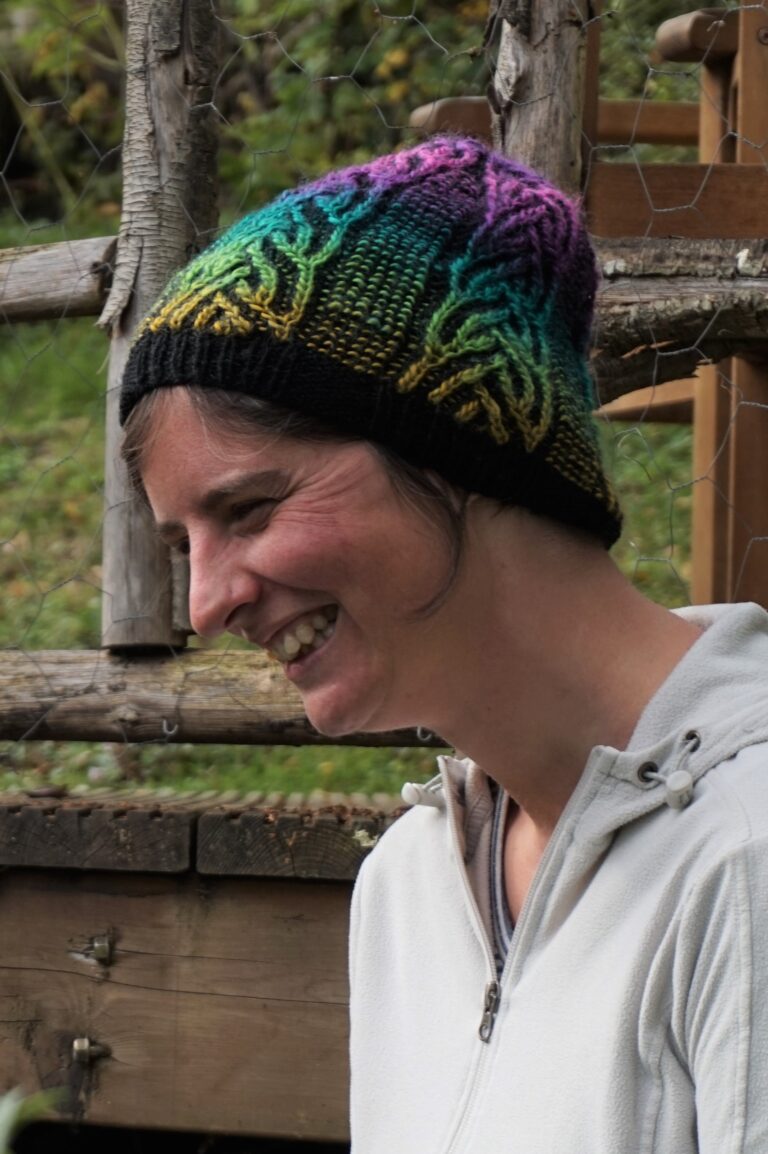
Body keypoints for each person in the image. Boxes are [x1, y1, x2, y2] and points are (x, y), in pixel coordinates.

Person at [119, 135, 768, 1153]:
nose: (205, 603)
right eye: (182, 542)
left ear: (461, 443)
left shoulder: (745, 854)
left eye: (247, 507)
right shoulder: (409, 889)